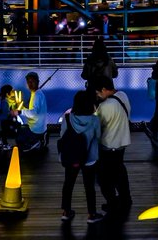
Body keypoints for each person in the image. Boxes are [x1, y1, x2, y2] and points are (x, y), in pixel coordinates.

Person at [60, 89, 105, 224]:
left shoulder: (67, 118)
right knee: (89, 186)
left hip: (71, 157)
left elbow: (63, 136)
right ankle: (91, 214)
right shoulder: (95, 120)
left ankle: (66, 212)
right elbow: (98, 137)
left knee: (68, 183)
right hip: (89, 158)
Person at [92, 75, 132, 214]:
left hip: (108, 146)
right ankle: (126, 198)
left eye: (98, 92)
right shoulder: (123, 95)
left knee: (104, 177)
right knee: (120, 171)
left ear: (103, 89)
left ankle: (112, 202)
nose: (97, 95)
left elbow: (96, 126)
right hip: (122, 142)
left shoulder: (105, 106)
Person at [14, 71, 48, 151]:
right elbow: (33, 110)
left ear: (37, 82)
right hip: (37, 127)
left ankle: (37, 142)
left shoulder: (37, 95)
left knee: (19, 138)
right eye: (29, 82)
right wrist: (20, 108)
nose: (30, 83)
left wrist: (19, 111)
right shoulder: (36, 93)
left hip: (36, 130)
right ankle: (39, 138)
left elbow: (33, 113)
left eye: (32, 81)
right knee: (20, 131)